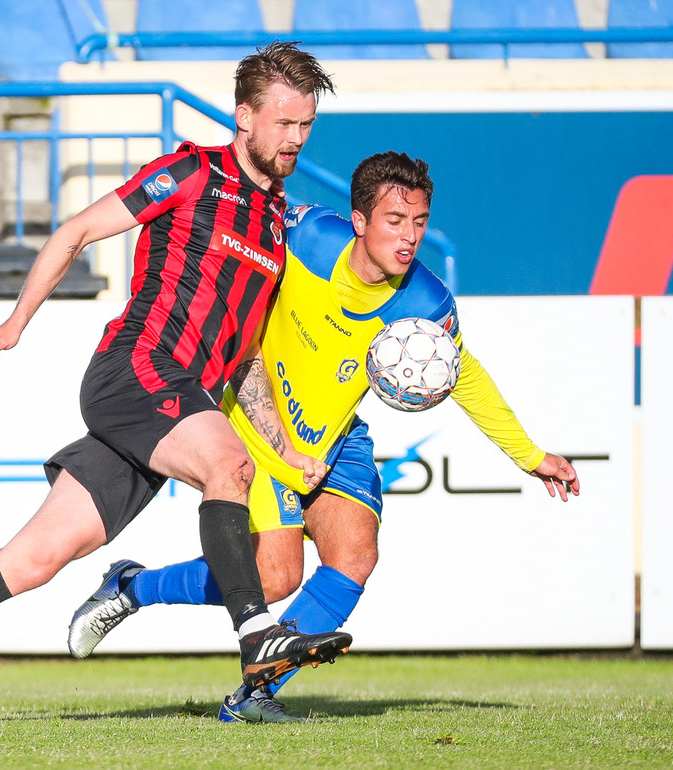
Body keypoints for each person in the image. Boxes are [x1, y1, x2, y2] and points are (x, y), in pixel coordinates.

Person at [0, 42, 352, 728]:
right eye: (284, 123)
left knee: (29, 562)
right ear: (244, 116)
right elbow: (77, 231)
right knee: (228, 466)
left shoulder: (273, 224)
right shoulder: (191, 173)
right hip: (137, 369)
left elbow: (243, 359)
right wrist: (16, 322)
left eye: (306, 125)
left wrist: (286, 446)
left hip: (177, 403)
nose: (296, 138)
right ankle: (255, 636)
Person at [65, 151, 581, 723]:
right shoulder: (307, 237)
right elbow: (231, 247)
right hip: (257, 428)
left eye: (419, 222)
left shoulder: (428, 302)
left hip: (337, 436)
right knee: (274, 577)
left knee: (356, 554)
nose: (410, 237)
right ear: (359, 220)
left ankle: (254, 695)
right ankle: (132, 587)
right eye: (394, 221)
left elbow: (465, 376)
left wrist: (529, 455)